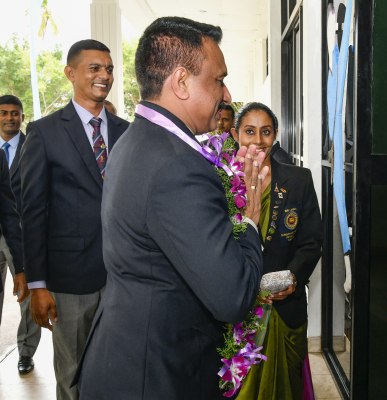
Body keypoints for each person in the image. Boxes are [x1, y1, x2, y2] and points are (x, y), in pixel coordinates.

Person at [76, 17, 267, 399]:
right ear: (181, 82)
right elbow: (233, 296)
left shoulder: (135, 140)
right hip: (154, 375)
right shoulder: (178, 165)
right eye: (218, 80)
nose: (227, 94)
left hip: (127, 358)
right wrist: (250, 219)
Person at [20, 39, 129, 400]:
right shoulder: (44, 132)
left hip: (122, 276)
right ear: (70, 73)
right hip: (70, 281)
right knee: (72, 375)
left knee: (116, 370)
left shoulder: (127, 131)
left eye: (109, 69)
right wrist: (37, 285)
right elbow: (33, 211)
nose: (104, 75)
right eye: (94, 68)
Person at [230, 102, 322, 400]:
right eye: (249, 131)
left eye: (266, 132)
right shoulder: (220, 182)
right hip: (236, 309)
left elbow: (311, 242)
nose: (258, 140)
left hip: (284, 308)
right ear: (235, 134)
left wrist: (293, 278)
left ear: (276, 134)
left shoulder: (298, 180)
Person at [0, 95, 37, 375]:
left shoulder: (33, 146)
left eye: (15, 113)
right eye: (3, 113)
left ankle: (26, 352)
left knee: (27, 292)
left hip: (23, 232)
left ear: (22, 117)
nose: (9, 118)